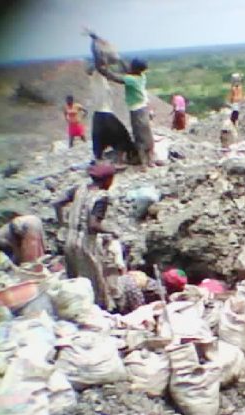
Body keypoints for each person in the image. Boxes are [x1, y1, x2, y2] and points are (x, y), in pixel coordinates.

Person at [54, 163, 123, 311]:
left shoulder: (79, 188)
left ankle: (73, 310)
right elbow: (93, 225)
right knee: (93, 283)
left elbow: (57, 203)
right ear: (107, 180)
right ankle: (99, 312)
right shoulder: (101, 197)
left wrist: (63, 224)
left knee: (74, 280)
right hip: (84, 246)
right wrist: (112, 230)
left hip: (69, 242)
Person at [98, 58, 155, 168]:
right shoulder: (141, 77)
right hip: (143, 108)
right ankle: (150, 160)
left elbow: (115, 78)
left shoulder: (131, 80)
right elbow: (128, 72)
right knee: (146, 134)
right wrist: (120, 61)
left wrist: (103, 70)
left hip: (137, 111)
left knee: (139, 135)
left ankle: (143, 164)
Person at [87, 64, 135, 164]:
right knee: (122, 135)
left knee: (99, 139)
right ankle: (120, 158)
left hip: (98, 115)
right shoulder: (99, 81)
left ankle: (99, 158)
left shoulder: (95, 81)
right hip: (105, 114)